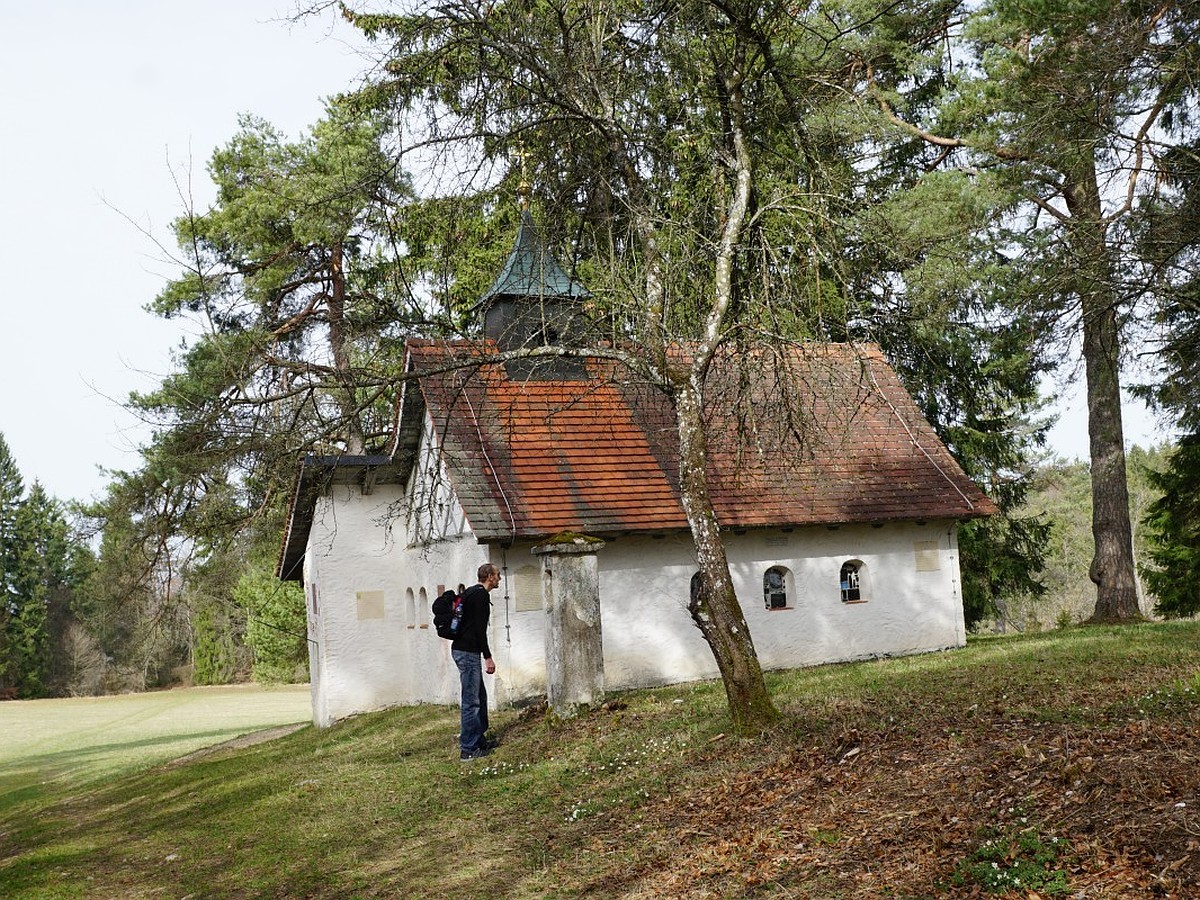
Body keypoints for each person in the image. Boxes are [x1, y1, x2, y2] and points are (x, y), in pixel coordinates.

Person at [453, 563, 499, 760]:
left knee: (479, 696)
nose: (499, 578)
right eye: (497, 575)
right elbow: (480, 631)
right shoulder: (481, 596)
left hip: (463, 650)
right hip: (468, 651)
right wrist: (488, 657)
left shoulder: (471, 592)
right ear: (489, 576)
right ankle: (468, 749)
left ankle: (478, 739)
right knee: (471, 701)